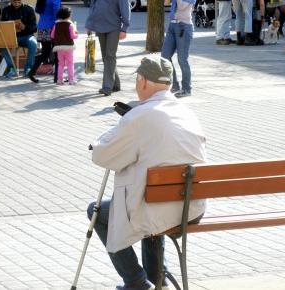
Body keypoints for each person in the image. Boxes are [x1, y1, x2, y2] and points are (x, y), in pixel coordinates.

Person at [87, 55, 207, 290]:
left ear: (142, 82)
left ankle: (137, 283)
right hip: (191, 207)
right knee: (152, 203)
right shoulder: (186, 112)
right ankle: (157, 281)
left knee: (96, 212)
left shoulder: (140, 116)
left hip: (159, 206)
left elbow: (104, 157)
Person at [85, 0, 130, 96]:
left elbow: (126, 9)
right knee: (106, 57)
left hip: (114, 27)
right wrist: (89, 25)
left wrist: (124, 29)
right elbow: (93, 7)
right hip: (99, 27)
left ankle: (107, 87)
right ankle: (116, 85)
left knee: (110, 56)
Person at [161, 0, 196, 98]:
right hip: (172, 26)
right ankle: (174, 85)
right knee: (165, 56)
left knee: (182, 59)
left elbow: (182, 6)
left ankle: (186, 89)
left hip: (184, 26)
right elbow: (166, 3)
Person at [0, 0, 38, 78]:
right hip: (11, 37)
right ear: (11, 1)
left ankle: (28, 68)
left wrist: (25, 27)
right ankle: (11, 68)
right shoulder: (6, 10)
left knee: (33, 43)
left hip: (26, 36)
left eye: (18, 2)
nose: (17, 4)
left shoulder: (29, 9)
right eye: (14, 2)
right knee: (2, 45)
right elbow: (2, 26)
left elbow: (34, 28)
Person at [27, 0, 61, 83]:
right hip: (53, 28)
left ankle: (32, 72)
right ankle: (57, 77)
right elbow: (56, 12)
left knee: (45, 53)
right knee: (57, 54)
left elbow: (37, 10)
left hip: (42, 27)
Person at [50, 6, 78, 85]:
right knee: (70, 63)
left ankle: (59, 80)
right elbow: (73, 36)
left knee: (60, 64)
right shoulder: (70, 25)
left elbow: (52, 36)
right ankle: (71, 80)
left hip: (59, 47)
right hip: (69, 47)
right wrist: (77, 34)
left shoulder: (56, 25)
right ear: (69, 15)